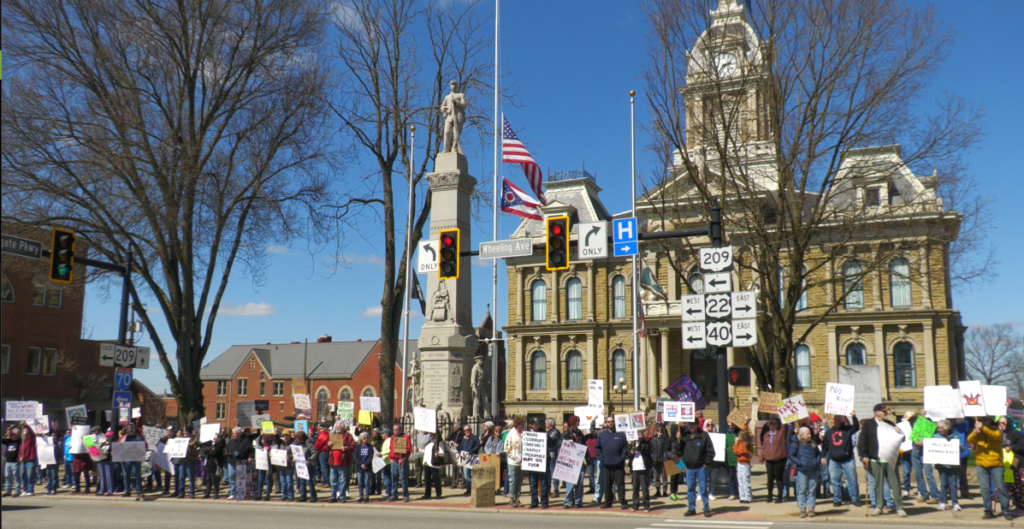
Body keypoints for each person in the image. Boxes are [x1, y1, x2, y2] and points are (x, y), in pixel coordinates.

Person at [857, 404, 907, 517]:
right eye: (884, 411)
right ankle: (879, 506)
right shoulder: (869, 425)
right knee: (878, 484)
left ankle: (899, 507)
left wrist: (899, 432)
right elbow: (863, 442)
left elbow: (902, 439)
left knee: (895, 484)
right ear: (877, 413)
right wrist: (863, 455)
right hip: (876, 459)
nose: (886, 413)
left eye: (886, 411)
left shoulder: (890, 424)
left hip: (890, 459)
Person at [970, 416, 1012, 520]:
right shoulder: (978, 430)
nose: (982, 422)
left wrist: (983, 428)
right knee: (984, 489)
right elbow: (970, 440)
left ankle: (1005, 510)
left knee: (1001, 488)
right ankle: (988, 510)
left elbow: (996, 436)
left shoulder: (996, 430)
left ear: (990, 421)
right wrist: (975, 432)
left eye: (985, 420)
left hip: (996, 464)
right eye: (981, 420)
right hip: (981, 464)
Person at [824, 412, 861, 507]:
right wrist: (823, 456)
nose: (832, 421)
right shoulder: (828, 432)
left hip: (847, 459)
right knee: (835, 480)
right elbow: (825, 446)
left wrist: (854, 416)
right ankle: (837, 499)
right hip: (834, 460)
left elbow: (856, 427)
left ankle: (854, 498)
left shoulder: (847, 429)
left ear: (840, 420)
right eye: (831, 419)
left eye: (834, 419)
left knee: (851, 479)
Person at [681, 419, 715, 517]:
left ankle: (706, 508)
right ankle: (691, 508)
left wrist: (706, 463)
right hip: (689, 468)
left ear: (697, 425)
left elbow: (710, 451)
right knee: (690, 488)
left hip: (701, 467)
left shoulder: (704, 435)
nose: (691, 426)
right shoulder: (684, 436)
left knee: (703, 488)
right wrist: (678, 438)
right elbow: (678, 448)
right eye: (689, 424)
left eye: (693, 424)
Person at [906, 412, 939, 504]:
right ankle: (924, 494)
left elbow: (934, 436)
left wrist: (924, 442)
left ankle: (935, 495)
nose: (911, 422)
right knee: (918, 474)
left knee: (928, 474)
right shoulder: (910, 425)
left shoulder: (927, 422)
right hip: (915, 450)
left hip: (925, 451)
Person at [931, 419, 964, 512]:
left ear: (947, 428)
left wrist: (955, 445)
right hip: (941, 465)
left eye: (941, 428)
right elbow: (931, 448)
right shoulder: (935, 437)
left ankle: (955, 503)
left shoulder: (955, 436)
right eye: (938, 427)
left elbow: (962, 448)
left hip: (952, 465)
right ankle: (943, 502)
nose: (939, 429)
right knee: (943, 484)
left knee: (953, 484)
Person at [596, 417, 628, 510]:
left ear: (614, 423)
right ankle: (608, 502)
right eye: (608, 422)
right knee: (607, 484)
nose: (610, 423)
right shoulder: (602, 435)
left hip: (618, 464)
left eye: (612, 421)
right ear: (606, 423)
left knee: (620, 484)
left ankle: (623, 502)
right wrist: (602, 459)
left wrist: (621, 459)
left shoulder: (621, 434)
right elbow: (597, 448)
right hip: (607, 464)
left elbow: (625, 448)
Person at [790, 426, 821, 518]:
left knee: (812, 491)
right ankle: (802, 510)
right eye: (808, 434)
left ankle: (811, 509)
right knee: (802, 490)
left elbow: (819, 454)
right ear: (802, 436)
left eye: (810, 433)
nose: (810, 435)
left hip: (813, 470)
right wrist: (800, 463)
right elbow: (791, 455)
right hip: (802, 471)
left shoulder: (813, 444)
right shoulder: (796, 444)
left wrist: (816, 462)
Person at [760, 415, 788, 503]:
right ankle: (769, 496)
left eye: (775, 423)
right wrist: (762, 457)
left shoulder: (781, 433)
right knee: (770, 479)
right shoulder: (767, 435)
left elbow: (785, 426)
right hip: (769, 460)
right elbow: (764, 447)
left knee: (778, 478)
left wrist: (783, 415)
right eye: (772, 423)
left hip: (779, 459)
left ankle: (779, 497)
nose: (773, 425)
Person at [999, 417, 1024, 515]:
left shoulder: (1015, 433)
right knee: (1011, 487)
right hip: (1008, 464)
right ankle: (1017, 505)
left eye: (1003, 423)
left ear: (1008, 423)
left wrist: (1011, 447)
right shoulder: (1003, 434)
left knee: (1019, 487)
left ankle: (1022, 507)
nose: (1001, 425)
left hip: (1018, 464)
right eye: (1000, 423)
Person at [561, 417, 587, 509]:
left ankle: (578, 501)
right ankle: (568, 501)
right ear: (574, 422)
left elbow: (584, 446)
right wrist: (567, 443)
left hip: (579, 461)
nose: (579, 423)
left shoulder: (579, 433)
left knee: (580, 482)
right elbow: (560, 445)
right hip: (569, 462)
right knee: (570, 482)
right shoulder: (566, 434)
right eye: (577, 421)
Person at [328, 424, 355, 503]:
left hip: (343, 462)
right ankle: (333, 496)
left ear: (342, 428)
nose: (337, 428)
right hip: (333, 462)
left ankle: (342, 496)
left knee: (342, 480)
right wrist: (328, 445)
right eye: (336, 427)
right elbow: (326, 448)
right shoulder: (332, 436)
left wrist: (346, 448)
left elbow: (353, 446)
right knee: (333, 480)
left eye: (339, 427)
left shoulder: (347, 436)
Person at [527, 422, 550, 508]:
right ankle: (534, 502)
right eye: (535, 424)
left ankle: (544, 502)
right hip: (533, 462)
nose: (536, 425)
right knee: (533, 483)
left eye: (537, 424)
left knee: (544, 483)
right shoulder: (528, 434)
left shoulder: (544, 433)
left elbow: (552, 444)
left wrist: (548, 438)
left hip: (543, 461)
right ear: (532, 425)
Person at [225, 427, 252, 500]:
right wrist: (226, 453)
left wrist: (250, 457)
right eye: (233, 433)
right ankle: (233, 493)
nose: (234, 435)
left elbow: (251, 451)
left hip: (242, 462)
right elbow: (226, 449)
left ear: (240, 434)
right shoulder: (231, 441)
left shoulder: (246, 441)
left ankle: (242, 493)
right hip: (232, 462)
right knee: (232, 478)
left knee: (242, 479)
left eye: (235, 433)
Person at [504, 417, 525, 508]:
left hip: (522, 462)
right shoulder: (511, 434)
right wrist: (515, 457)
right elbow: (506, 448)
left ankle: (517, 497)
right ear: (517, 425)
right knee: (513, 480)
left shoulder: (523, 434)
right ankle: (512, 498)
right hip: (513, 462)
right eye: (522, 425)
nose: (523, 426)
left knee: (519, 481)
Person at [630, 430, 653, 512]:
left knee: (644, 488)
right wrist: (630, 450)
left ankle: (646, 505)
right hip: (635, 468)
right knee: (635, 488)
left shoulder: (647, 443)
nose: (639, 435)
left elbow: (647, 449)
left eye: (641, 434)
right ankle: (635, 505)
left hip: (643, 467)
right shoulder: (632, 442)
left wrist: (639, 446)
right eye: (638, 434)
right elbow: (628, 454)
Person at [120, 424, 145, 501]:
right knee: (126, 476)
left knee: (137, 476)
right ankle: (127, 491)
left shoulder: (139, 437)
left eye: (132, 427)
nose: (130, 429)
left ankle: (139, 491)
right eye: (129, 428)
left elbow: (144, 446)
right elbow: (118, 447)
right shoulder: (124, 438)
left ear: (134, 428)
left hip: (136, 460)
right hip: (126, 460)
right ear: (127, 429)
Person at [389, 424, 412, 502]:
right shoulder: (392, 438)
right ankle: (394, 494)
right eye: (394, 430)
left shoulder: (405, 437)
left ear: (400, 430)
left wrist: (404, 458)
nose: (395, 431)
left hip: (402, 460)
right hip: (394, 461)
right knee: (393, 478)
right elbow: (390, 449)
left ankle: (405, 495)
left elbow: (409, 450)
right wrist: (390, 458)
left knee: (403, 478)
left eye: (397, 430)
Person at [175, 426, 200, 499]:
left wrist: (190, 450)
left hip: (190, 461)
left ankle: (191, 493)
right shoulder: (182, 439)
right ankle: (181, 493)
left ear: (188, 431)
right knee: (181, 477)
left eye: (185, 431)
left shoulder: (194, 440)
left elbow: (197, 451)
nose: (184, 432)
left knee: (191, 478)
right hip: (182, 460)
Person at [458, 424, 480, 497]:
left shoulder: (475, 438)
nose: (467, 431)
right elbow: (461, 447)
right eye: (465, 430)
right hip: (465, 459)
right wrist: (461, 453)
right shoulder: (463, 439)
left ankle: (474, 489)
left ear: (471, 430)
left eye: (468, 430)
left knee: (473, 474)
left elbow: (477, 446)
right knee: (466, 474)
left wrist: (471, 451)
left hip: (473, 458)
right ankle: (469, 489)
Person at [295, 430, 317, 503]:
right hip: (301, 465)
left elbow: (315, 452)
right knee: (302, 481)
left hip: (308, 465)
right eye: (297, 438)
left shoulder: (309, 444)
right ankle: (303, 496)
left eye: (299, 438)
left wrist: (309, 460)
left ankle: (313, 496)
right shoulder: (297, 445)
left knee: (309, 481)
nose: (298, 440)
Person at [733, 426, 753, 503]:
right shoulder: (740, 444)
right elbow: (734, 449)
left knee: (746, 481)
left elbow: (738, 451)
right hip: (740, 463)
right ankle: (742, 496)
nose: (738, 437)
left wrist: (736, 443)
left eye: (739, 436)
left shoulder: (745, 444)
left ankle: (748, 497)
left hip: (745, 464)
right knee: (740, 480)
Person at [422, 432, 445, 500]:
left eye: (432, 434)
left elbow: (442, 453)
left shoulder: (439, 442)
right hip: (426, 463)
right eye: (430, 434)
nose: (430, 435)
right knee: (427, 480)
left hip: (434, 464)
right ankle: (427, 493)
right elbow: (426, 451)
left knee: (436, 480)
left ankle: (438, 493)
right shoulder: (429, 442)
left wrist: (438, 453)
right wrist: (419, 450)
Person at [651, 424, 669, 499]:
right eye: (658, 430)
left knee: (664, 476)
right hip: (655, 459)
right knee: (656, 476)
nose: (659, 432)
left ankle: (664, 490)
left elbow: (667, 448)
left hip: (663, 459)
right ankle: (657, 490)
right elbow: (651, 449)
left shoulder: (665, 439)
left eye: (661, 430)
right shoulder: (653, 439)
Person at [355, 432, 374, 503]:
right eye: (364, 438)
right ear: (361, 438)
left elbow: (370, 457)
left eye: (367, 438)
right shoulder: (358, 447)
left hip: (367, 467)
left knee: (367, 482)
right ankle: (361, 496)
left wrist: (365, 464)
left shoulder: (370, 447)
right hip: (359, 468)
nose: (366, 439)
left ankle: (366, 496)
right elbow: (356, 457)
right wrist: (361, 464)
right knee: (360, 483)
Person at [545, 419, 562, 498]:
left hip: (552, 455)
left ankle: (556, 491)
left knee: (554, 473)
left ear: (550, 424)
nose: (545, 425)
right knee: (548, 474)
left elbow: (548, 441)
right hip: (548, 455)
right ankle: (548, 490)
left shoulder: (554, 432)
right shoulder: (549, 431)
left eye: (546, 423)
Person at [45, 429, 64, 496]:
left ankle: (53, 489)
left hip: (55, 461)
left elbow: (59, 453)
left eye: (54, 435)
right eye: (52, 435)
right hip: (48, 461)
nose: (53, 436)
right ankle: (49, 489)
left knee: (54, 475)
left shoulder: (58, 444)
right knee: (49, 475)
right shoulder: (48, 444)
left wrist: (54, 448)